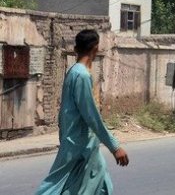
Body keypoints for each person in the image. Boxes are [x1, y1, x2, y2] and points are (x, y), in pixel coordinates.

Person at [36, 29, 130, 195]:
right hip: (79, 143)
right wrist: (114, 147)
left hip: (83, 142)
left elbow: (63, 112)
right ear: (95, 48)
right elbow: (92, 116)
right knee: (54, 187)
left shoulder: (73, 72)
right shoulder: (81, 75)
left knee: (101, 187)